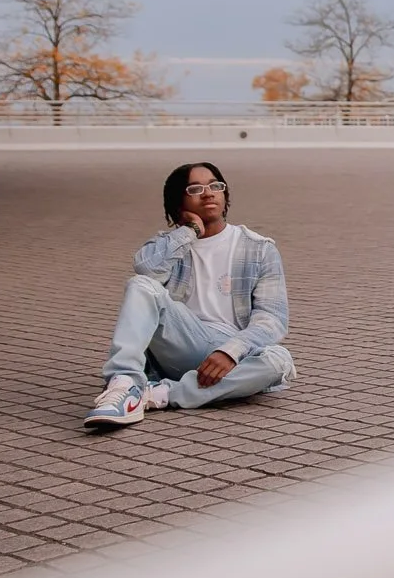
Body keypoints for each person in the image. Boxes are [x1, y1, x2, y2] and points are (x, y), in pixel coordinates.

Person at [84, 162, 295, 429]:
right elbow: (146, 269)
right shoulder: (169, 245)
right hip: (179, 340)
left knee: (278, 360)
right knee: (141, 284)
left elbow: (272, 319)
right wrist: (190, 231)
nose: (208, 193)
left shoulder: (258, 249)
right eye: (195, 188)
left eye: (215, 186)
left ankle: (155, 394)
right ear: (179, 201)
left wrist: (230, 352)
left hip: (227, 351)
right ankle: (124, 383)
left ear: (225, 194)